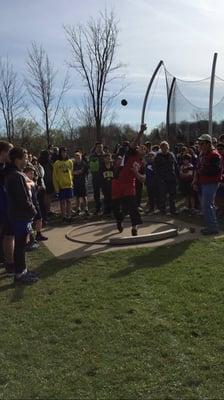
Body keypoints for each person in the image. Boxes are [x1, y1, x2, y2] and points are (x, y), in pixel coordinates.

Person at [5, 147, 39, 284]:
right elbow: (23, 199)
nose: (27, 161)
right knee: (20, 245)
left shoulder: (16, 174)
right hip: (20, 217)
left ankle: (23, 271)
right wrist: (34, 212)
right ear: (17, 159)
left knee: (22, 245)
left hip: (19, 216)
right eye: (25, 158)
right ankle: (19, 274)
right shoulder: (16, 176)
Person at [112, 125, 147, 236]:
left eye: (143, 148)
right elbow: (135, 142)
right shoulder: (131, 153)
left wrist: (136, 173)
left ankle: (134, 227)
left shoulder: (142, 164)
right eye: (139, 147)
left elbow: (142, 179)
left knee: (132, 206)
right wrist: (141, 131)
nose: (140, 148)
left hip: (129, 184)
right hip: (118, 182)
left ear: (145, 152)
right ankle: (119, 220)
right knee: (117, 206)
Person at [193, 134, 221, 235]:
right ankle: (210, 226)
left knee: (207, 205)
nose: (200, 145)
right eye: (199, 143)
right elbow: (198, 168)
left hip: (211, 183)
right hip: (203, 182)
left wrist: (203, 170)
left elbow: (216, 170)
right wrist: (196, 180)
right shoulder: (203, 154)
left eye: (202, 143)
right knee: (207, 205)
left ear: (208, 144)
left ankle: (212, 228)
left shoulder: (214, 155)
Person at [154, 141, 179, 215]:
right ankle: (163, 210)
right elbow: (155, 168)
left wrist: (177, 176)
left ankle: (173, 210)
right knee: (162, 196)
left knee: (172, 196)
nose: (165, 148)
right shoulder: (158, 156)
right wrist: (159, 178)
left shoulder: (172, 155)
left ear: (168, 147)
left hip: (172, 178)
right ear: (161, 148)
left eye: (166, 147)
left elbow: (176, 165)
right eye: (163, 147)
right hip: (162, 179)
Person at [53, 146, 73, 223]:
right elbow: (54, 176)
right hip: (61, 185)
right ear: (60, 153)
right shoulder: (57, 163)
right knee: (62, 201)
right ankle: (63, 216)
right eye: (62, 152)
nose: (64, 153)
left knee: (69, 201)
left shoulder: (70, 162)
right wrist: (56, 187)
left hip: (69, 185)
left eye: (65, 152)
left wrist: (71, 182)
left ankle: (69, 215)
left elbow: (71, 173)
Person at [89, 143, 105, 214]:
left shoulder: (105, 155)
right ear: (95, 148)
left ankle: (106, 208)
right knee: (96, 194)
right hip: (95, 177)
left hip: (104, 177)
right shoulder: (92, 156)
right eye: (98, 147)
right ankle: (97, 208)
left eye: (101, 147)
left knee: (105, 193)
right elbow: (90, 166)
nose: (100, 148)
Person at [73, 151, 89, 216]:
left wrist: (76, 172)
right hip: (76, 182)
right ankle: (78, 209)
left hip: (83, 182)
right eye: (76, 157)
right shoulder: (73, 164)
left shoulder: (84, 164)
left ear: (81, 157)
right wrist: (76, 172)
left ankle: (86, 209)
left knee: (84, 196)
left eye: (78, 156)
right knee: (77, 197)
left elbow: (82, 171)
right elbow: (72, 172)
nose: (77, 158)